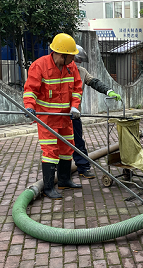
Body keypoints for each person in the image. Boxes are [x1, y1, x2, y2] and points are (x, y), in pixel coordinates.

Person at [23, 33, 83, 200]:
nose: (73, 60)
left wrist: (74, 107)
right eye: (70, 56)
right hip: (47, 120)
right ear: (61, 54)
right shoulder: (39, 66)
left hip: (65, 118)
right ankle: (48, 187)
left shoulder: (71, 68)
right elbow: (31, 90)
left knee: (67, 147)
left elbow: (77, 89)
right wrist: (29, 107)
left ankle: (64, 180)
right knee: (50, 151)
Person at [73, 45, 121, 179]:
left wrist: (108, 90)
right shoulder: (61, 71)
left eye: (81, 60)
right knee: (60, 144)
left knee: (78, 142)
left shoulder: (82, 71)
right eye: (78, 59)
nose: (79, 62)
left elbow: (94, 82)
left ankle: (83, 168)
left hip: (75, 114)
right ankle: (61, 172)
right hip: (61, 115)